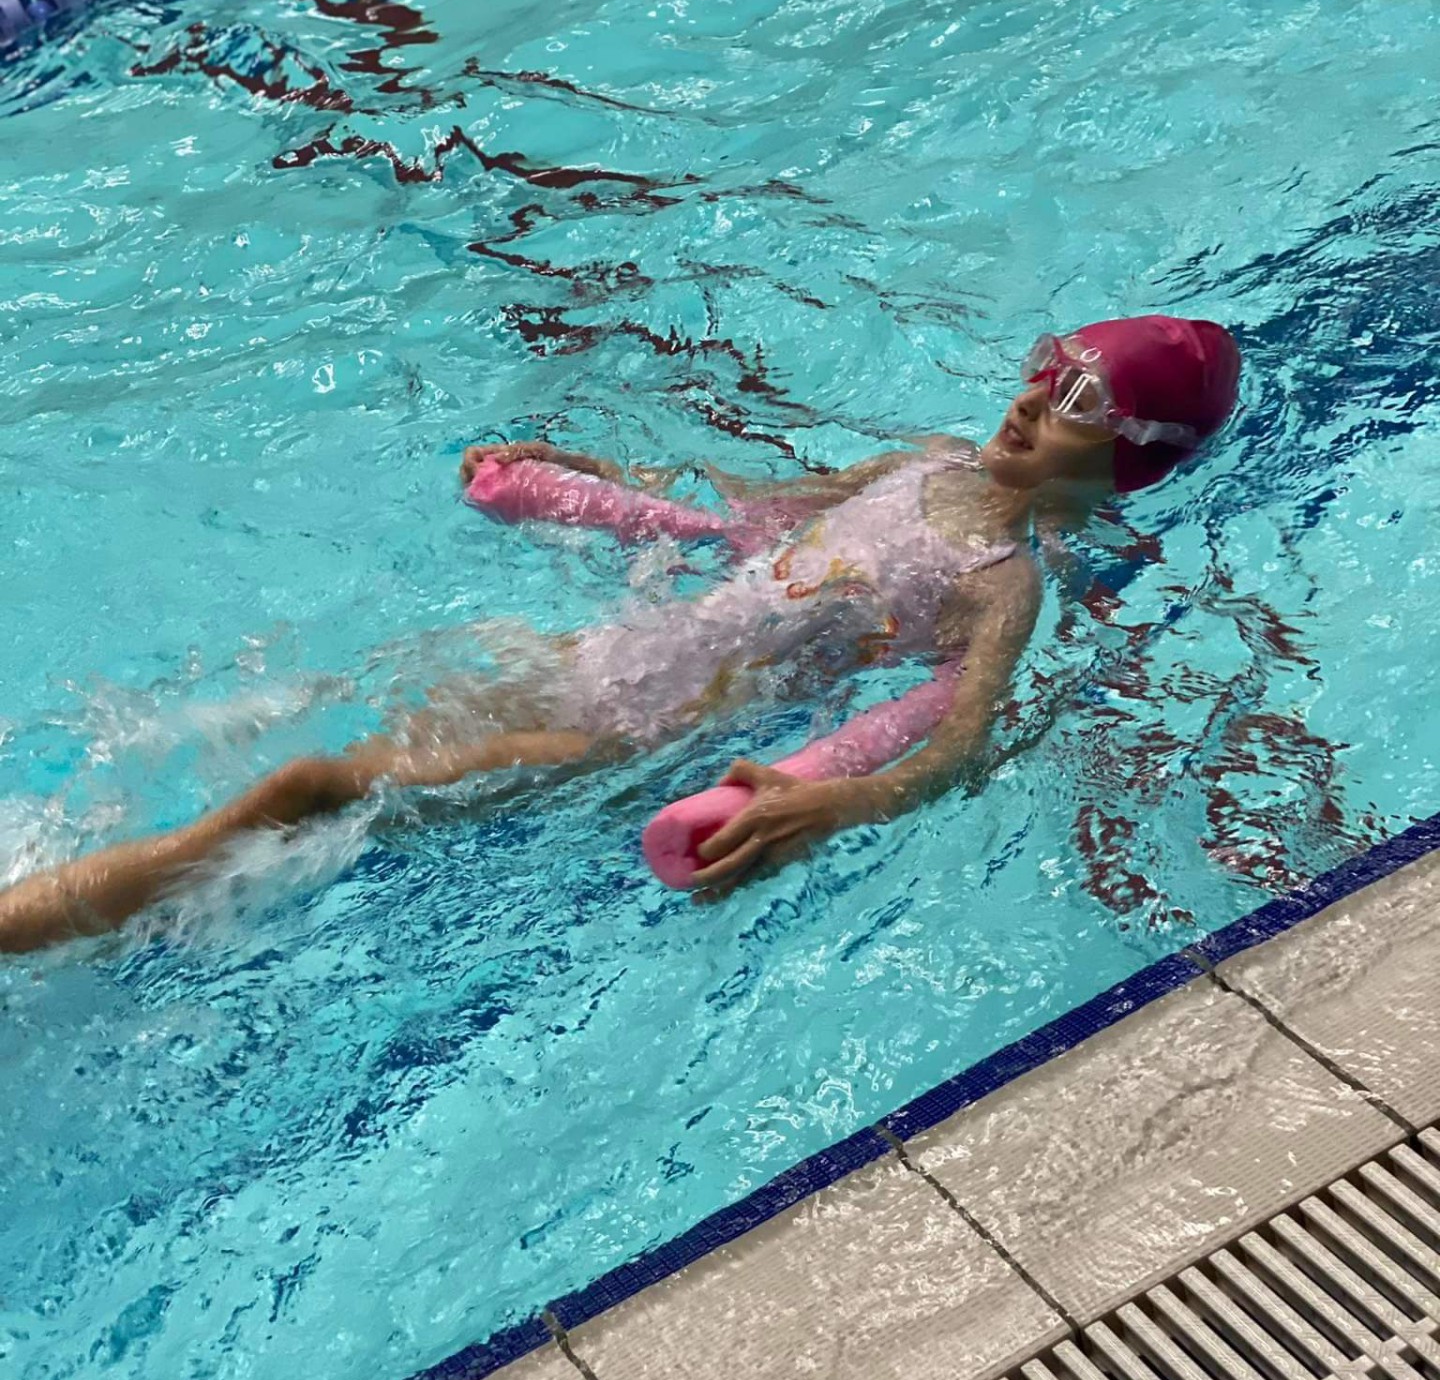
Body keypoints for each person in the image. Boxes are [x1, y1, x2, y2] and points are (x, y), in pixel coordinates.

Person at [0, 314, 1240, 953]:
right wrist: (584, 478)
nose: (1029, 398)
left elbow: (962, 744)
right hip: (596, 656)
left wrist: (833, 802)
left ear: (1128, 458)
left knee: (309, 787)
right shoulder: (923, 462)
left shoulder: (1002, 589)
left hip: (628, 737)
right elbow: (745, 519)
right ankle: (102, 902)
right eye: (1044, 366)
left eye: (1079, 398)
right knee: (300, 717)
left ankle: (33, 925)